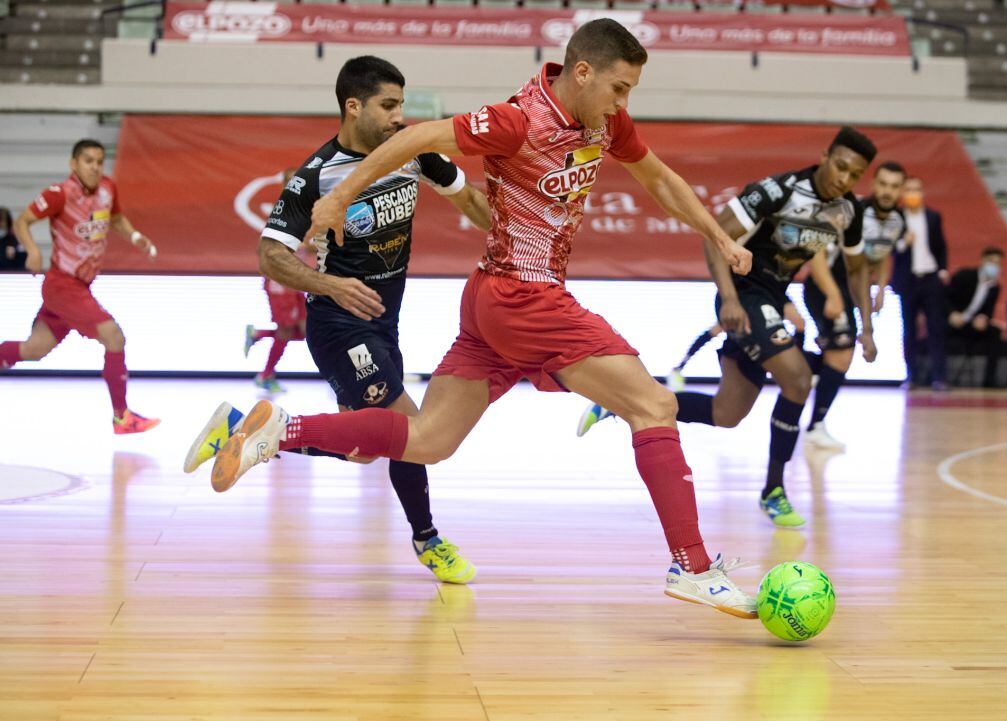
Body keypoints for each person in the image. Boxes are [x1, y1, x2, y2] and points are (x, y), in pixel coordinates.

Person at [201, 21, 761, 618]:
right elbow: (414, 139)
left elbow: (660, 181)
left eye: (630, 91)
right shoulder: (516, 119)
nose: (624, 103)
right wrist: (339, 196)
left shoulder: (605, 122)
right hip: (525, 298)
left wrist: (717, 238)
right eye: (619, 88)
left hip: (490, 301)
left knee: (427, 442)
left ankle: (276, 431)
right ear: (582, 72)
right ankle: (693, 566)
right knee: (655, 405)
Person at [185, 56, 492, 583]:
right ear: (354, 106)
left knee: (363, 452)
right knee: (412, 430)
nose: (400, 116)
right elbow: (270, 255)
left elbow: (467, 197)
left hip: (384, 323)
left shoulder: (413, 152)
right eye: (388, 106)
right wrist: (332, 285)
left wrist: (519, 236)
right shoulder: (316, 177)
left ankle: (245, 429)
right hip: (338, 324)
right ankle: (428, 540)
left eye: (402, 105)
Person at [582, 127, 878, 529]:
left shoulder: (849, 211)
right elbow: (714, 234)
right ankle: (774, 490)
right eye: (840, 166)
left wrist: (868, 328)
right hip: (742, 293)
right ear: (825, 156)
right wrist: (730, 299)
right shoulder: (777, 191)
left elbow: (858, 269)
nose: (844, 179)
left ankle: (624, 399)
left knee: (727, 412)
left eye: (854, 174)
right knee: (797, 379)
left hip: (772, 298)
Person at [0, 139, 160, 433]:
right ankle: (121, 417)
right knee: (113, 336)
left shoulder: (108, 189)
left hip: (79, 287)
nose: (95, 167)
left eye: (99, 161)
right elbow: (22, 221)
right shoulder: (59, 194)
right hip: (63, 285)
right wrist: (34, 252)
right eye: (88, 161)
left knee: (34, 349)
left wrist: (135, 236)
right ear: (74, 164)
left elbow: (115, 218)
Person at [800, 160, 906, 451]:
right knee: (842, 354)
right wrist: (832, 293)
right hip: (825, 287)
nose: (887, 191)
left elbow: (882, 255)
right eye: (883, 184)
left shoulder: (899, 220)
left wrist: (881, 288)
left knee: (838, 356)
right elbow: (817, 251)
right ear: (873, 185)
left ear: (900, 190)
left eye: (894, 186)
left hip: (850, 292)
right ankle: (815, 426)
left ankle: (802, 372)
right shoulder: (853, 212)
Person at [243, 168, 310, 394]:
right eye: (291, 182)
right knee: (286, 330)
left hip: (296, 280)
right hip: (281, 282)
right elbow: (263, 248)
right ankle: (265, 374)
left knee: (306, 330)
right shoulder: (281, 213)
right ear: (284, 185)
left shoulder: (303, 209)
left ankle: (258, 335)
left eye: (299, 181)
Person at [661, 301, 805, 394]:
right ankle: (679, 368)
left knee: (799, 322)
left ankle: (798, 367)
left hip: (771, 291)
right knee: (718, 329)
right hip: (747, 294)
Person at [893, 176, 949, 390]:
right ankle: (911, 376)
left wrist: (942, 269)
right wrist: (902, 243)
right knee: (909, 329)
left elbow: (941, 246)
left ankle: (939, 377)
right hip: (908, 279)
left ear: (923, 193)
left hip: (930, 277)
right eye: (909, 190)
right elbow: (887, 248)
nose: (913, 194)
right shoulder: (895, 217)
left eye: (917, 190)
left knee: (936, 327)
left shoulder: (933, 216)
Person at [945, 245, 1007, 388]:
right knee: (937, 330)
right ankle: (939, 376)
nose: (994, 266)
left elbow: (988, 311)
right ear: (983, 260)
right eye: (991, 261)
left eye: (997, 263)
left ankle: (989, 381)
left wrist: (983, 318)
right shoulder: (964, 275)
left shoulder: (995, 287)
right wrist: (952, 313)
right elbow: (945, 298)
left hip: (972, 324)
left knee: (995, 333)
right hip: (953, 320)